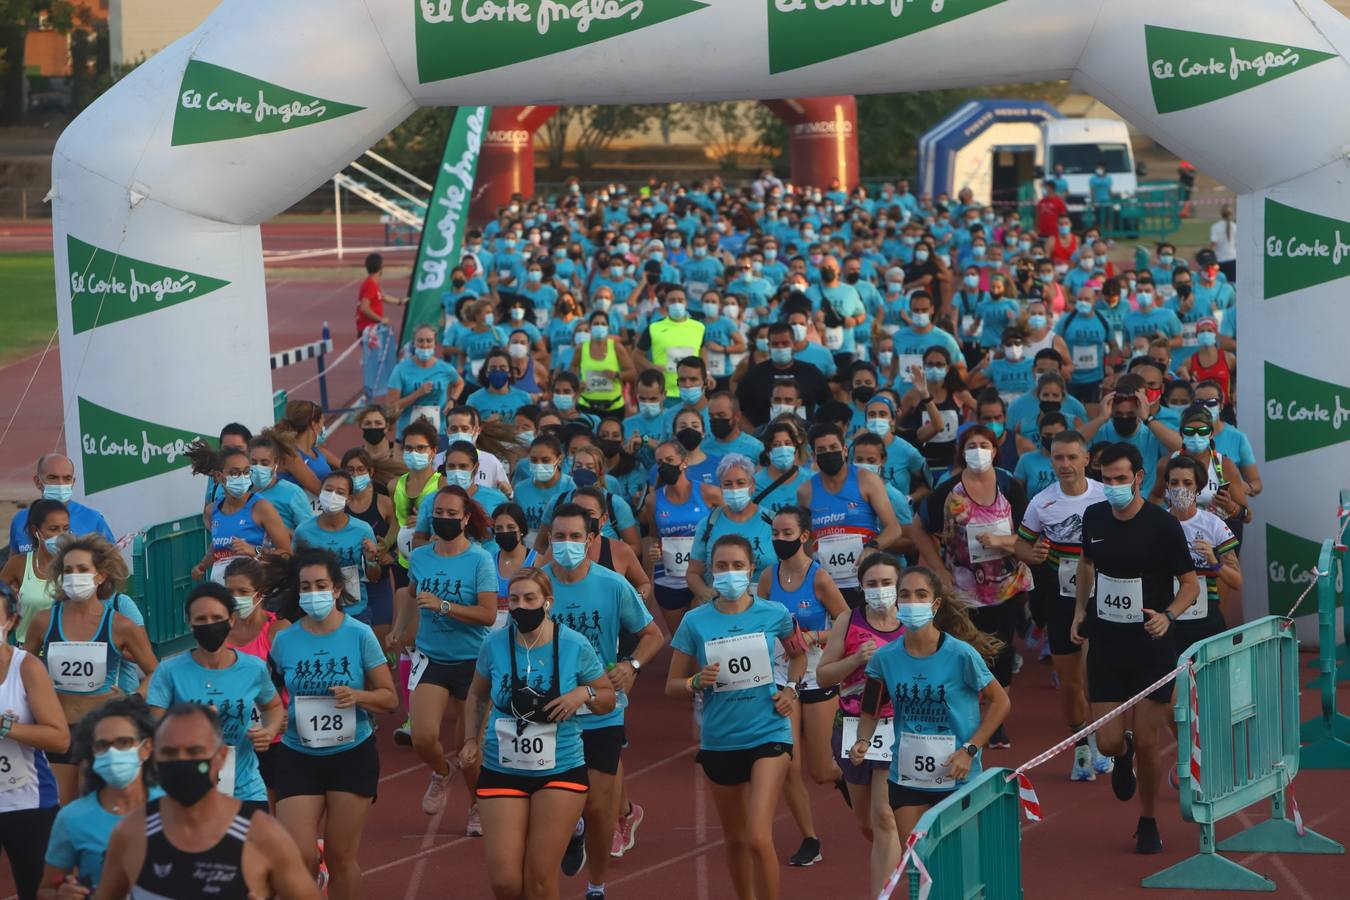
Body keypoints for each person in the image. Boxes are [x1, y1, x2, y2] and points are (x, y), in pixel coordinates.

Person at [1070, 442, 1200, 854]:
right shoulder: (1092, 516)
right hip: (1107, 641)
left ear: (1139, 477)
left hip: (1151, 642)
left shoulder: (1162, 525)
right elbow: (1087, 564)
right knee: (1107, 744)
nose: (1113, 487)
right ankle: (1119, 754)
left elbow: (1191, 584)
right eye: (1106, 480)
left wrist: (1169, 615)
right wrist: (1080, 610)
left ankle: (1147, 821)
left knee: (1148, 740)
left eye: (1121, 480)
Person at [458, 568, 615, 900]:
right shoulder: (494, 644)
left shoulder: (574, 644)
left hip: (559, 769)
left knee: (540, 881)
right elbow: (477, 694)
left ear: (548, 602)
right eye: (513, 599)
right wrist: (471, 738)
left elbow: (607, 697)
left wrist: (581, 694)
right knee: (505, 882)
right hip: (502, 769)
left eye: (529, 598)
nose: (520, 606)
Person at [665, 536, 805, 900]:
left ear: (751, 569)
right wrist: (695, 681)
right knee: (737, 839)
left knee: (759, 836)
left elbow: (799, 656)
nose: (730, 573)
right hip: (720, 738)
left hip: (769, 730)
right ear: (711, 571)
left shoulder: (774, 613)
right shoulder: (694, 622)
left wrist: (790, 690)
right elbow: (672, 684)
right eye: (722, 567)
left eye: (737, 566)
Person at [541, 505, 663, 898]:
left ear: (592, 540)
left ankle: (596, 886)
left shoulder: (612, 584)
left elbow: (652, 634)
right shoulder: (536, 586)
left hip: (601, 710)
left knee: (598, 809)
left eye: (576, 537)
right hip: (551, 712)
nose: (567, 545)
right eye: (559, 537)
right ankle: (572, 830)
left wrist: (632, 664)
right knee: (556, 805)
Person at [264, 549, 398, 896]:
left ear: (337, 589)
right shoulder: (285, 640)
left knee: (341, 857)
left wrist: (359, 697)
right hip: (298, 754)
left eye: (321, 585)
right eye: (306, 587)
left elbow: (389, 697)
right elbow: (270, 692)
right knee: (297, 855)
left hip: (350, 754)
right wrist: (275, 719)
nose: (313, 593)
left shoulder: (359, 635)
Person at [849, 566, 1011, 849]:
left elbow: (1000, 701)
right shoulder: (884, 659)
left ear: (935, 605)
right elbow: (870, 709)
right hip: (908, 777)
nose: (912, 602)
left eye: (921, 595)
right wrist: (863, 740)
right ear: (897, 603)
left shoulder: (961, 655)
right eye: (905, 595)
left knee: (957, 865)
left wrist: (970, 749)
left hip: (957, 776)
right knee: (918, 863)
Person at [95, 703, 319, 899]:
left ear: (221, 756)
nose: (182, 761)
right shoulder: (131, 833)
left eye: (194, 751)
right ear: (154, 758)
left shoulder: (262, 835)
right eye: (170, 752)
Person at [912, 425, 1031, 747]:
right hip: (963, 590)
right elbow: (918, 528)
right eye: (971, 445)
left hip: (1006, 585)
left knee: (1003, 651)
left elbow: (1030, 533)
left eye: (984, 445)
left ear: (995, 450)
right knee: (968, 652)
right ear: (962, 452)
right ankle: (968, 717)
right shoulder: (948, 490)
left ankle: (998, 721)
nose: (978, 451)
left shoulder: (1009, 485)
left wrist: (1001, 540)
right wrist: (939, 571)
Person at [26, 535, 158, 804]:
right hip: (58, 728)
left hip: (102, 728)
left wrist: (134, 698)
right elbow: (21, 665)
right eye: (68, 570)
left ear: (100, 576)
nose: (74, 576)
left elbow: (157, 672)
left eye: (82, 569)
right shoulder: (44, 621)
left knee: (100, 807)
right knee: (62, 811)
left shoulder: (120, 625)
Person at [394, 485, 497, 831]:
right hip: (432, 657)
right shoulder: (421, 556)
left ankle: (477, 807)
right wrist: (399, 628)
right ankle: (440, 772)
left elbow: (487, 614)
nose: (444, 519)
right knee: (422, 737)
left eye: (452, 514)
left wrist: (445, 606)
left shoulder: (480, 559)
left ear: (466, 519)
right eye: (439, 514)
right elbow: (410, 595)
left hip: (472, 663)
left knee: (469, 753)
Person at [1013, 430, 1111, 781]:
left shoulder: (1105, 496)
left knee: (1096, 673)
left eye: (1072, 457)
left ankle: (1105, 738)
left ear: (1087, 459)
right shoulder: (1041, 503)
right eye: (1058, 458)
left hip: (1106, 596)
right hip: (1061, 597)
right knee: (1070, 680)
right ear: (1050, 460)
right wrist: (1032, 553)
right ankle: (1082, 744)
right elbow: (1020, 546)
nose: (1065, 465)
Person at [757, 506, 849, 868]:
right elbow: (761, 617)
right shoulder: (768, 576)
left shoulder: (820, 578)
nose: (780, 539)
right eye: (775, 534)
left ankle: (847, 777)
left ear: (805, 536)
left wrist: (816, 635)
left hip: (817, 674)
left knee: (821, 770)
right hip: (782, 676)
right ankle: (810, 838)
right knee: (787, 766)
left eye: (787, 533)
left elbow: (846, 620)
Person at [147, 583, 284, 816]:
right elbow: (152, 730)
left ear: (231, 620)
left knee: (251, 851)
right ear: (189, 623)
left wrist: (270, 730)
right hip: (186, 787)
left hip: (245, 787)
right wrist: (191, 725)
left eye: (217, 617)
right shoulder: (169, 671)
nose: (209, 625)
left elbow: (273, 706)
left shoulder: (253, 668)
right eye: (201, 619)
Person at [815, 553, 904, 898]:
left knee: (884, 817)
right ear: (861, 587)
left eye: (886, 583)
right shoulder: (848, 621)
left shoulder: (912, 624)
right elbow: (823, 675)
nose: (880, 590)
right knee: (868, 824)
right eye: (872, 584)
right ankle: (894, 852)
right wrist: (855, 658)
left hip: (894, 727)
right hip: (851, 728)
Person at [41, 696, 158, 898]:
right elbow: (47, 889)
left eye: (124, 742)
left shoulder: (176, 807)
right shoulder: (72, 818)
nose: (113, 753)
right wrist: (61, 895)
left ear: (146, 748)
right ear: (92, 753)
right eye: (102, 745)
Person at [0, 589, 67, 899]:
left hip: (27, 802)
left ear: (11, 620)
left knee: (38, 890)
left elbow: (59, 738)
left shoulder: (26, 667)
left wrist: (6, 727)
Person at [798, 424, 903, 607]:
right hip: (829, 583)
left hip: (866, 578)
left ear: (845, 450)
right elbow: (807, 539)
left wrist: (872, 548)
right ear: (814, 456)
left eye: (833, 448)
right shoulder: (805, 491)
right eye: (821, 450)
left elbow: (894, 529)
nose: (828, 453)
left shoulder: (867, 480)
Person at [1160, 455, 1242, 650]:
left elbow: (1236, 581)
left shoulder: (1213, 524)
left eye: (1187, 483)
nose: (1180, 488)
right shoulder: (1156, 522)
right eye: (1174, 482)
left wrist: (1214, 561)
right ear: (1167, 487)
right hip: (1166, 618)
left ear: (1198, 488)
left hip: (1205, 621)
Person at [641, 439, 720, 634]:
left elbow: (729, 525)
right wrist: (652, 550)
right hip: (669, 578)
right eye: (660, 462)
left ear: (684, 462)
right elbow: (652, 535)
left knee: (702, 635)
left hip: (703, 575)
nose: (665, 466)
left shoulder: (708, 492)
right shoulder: (652, 500)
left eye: (669, 459)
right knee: (682, 640)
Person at [189, 444, 293, 584]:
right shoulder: (212, 510)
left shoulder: (262, 507)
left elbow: (286, 553)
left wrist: (254, 551)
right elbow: (218, 545)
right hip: (223, 590)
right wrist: (202, 566)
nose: (242, 477)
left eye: (246, 472)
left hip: (256, 588)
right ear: (219, 476)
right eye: (234, 473)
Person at [687, 455, 775, 603]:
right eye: (727, 484)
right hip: (720, 607)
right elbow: (693, 572)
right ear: (720, 488)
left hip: (765, 606)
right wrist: (705, 592)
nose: (734, 489)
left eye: (741, 483)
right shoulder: (708, 524)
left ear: (752, 485)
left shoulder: (772, 521)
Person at [341, 447, 397, 645]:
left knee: (381, 649)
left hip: (378, 584)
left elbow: (401, 533)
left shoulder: (384, 503)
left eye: (360, 469)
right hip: (348, 583)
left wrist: (392, 555)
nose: (355, 474)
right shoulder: (339, 505)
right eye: (350, 470)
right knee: (353, 645)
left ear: (371, 472)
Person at [7, 454, 113, 556]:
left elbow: (112, 564)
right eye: (53, 477)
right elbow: (13, 560)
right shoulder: (20, 519)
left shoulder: (93, 519)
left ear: (73, 482)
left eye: (67, 478)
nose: (61, 484)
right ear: (38, 482)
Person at [897, 346, 974, 479]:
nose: (934, 368)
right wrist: (911, 436)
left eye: (939, 364)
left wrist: (968, 428)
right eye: (930, 364)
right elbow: (895, 423)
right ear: (924, 366)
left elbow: (984, 413)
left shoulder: (958, 394)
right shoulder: (913, 395)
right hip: (922, 463)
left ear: (948, 368)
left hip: (952, 464)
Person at [736, 322, 831, 426]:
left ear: (793, 344)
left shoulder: (811, 372)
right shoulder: (755, 374)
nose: (780, 348)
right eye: (775, 344)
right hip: (764, 439)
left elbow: (829, 406)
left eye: (785, 343)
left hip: (805, 437)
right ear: (769, 345)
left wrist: (816, 432)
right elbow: (737, 410)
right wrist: (755, 435)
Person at [0, 499, 67, 644]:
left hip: (67, 653)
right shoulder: (19, 564)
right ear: (35, 530)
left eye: (65, 528)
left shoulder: (75, 564)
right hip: (27, 650)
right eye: (53, 529)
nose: (61, 535)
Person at [385, 324, 463, 437]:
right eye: (420, 341)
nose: (425, 345)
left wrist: (452, 400)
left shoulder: (445, 368)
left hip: (438, 433)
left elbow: (459, 383)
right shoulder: (400, 370)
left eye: (429, 340)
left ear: (435, 344)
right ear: (414, 343)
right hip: (408, 434)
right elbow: (391, 407)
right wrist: (418, 393)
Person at [269, 400, 342, 498]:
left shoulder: (320, 451)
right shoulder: (291, 456)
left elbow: (349, 468)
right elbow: (319, 490)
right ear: (314, 425)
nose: (323, 428)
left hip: (322, 510)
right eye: (322, 423)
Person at [244, 435, 316, 532]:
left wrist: (278, 532)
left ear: (276, 462)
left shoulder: (292, 492)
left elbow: (309, 533)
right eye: (253, 462)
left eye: (265, 463)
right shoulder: (242, 493)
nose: (258, 467)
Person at [572, 310, 636, 417]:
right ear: (590, 327)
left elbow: (632, 373)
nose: (599, 327)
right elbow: (573, 366)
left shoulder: (616, 347)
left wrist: (616, 375)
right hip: (587, 405)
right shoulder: (581, 348)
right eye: (596, 324)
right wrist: (577, 381)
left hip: (613, 406)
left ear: (608, 327)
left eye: (603, 324)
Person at [754, 419, 813, 516]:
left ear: (795, 447)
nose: (783, 448)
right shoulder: (755, 483)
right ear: (768, 450)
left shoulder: (810, 479)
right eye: (776, 445)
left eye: (787, 443)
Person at [1209, 206, 1237, 284]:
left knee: (1220, 284)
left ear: (1221, 214)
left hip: (1219, 260)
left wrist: (1209, 257)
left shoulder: (1216, 227)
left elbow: (1213, 244)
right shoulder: (1235, 226)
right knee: (1233, 284)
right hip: (1233, 259)